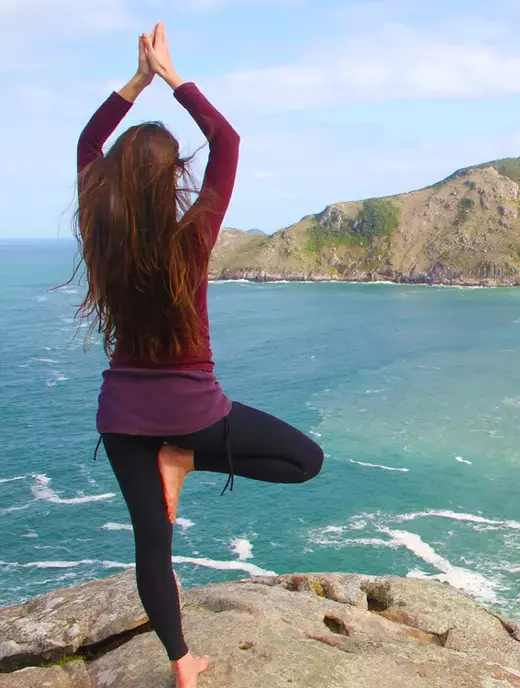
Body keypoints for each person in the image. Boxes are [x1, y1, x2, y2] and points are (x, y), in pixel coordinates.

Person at [74, 22, 324, 688]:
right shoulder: (193, 239)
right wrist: (171, 75)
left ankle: (181, 663)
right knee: (306, 460)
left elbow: (87, 144)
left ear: (115, 181)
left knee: (151, 545)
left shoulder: (103, 238)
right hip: (193, 412)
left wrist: (135, 82)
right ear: (175, 179)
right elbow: (228, 141)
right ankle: (184, 457)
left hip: (122, 418)